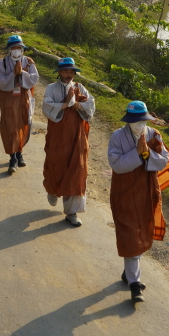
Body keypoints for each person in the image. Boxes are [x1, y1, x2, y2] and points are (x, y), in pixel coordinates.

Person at [108, 100, 169, 304]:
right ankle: (135, 284)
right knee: (130, 233)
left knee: (142, 231)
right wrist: (137, 153)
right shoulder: (117, 137)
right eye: (135, 121)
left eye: (143, 121)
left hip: (146, 190)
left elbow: (163, 160)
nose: (139, 125)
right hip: (125, 192)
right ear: (128, 121)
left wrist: (147, 154)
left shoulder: (154, 135)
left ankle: (129, 273)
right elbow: (116, 165)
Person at [42, 57, 94, 227]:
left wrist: (78, 105)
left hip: (77, 137)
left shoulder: (80, 88)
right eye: (65, 71)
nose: (69, 74)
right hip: (58, 137)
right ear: (59, 72)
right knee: (56, 165)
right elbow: (46, 108)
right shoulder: (52, 88)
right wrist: (65, 104)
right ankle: (53, 190)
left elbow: (91, 107)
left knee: (77, 169)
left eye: (71, 71)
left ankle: (71, 212)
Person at [0, 35, 39, 174]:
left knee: (23, 124)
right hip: (8, 99)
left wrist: (22, 73)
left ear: (23, 49)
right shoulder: (4, 63)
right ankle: (12, 157)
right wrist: (13, 75)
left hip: (23, 98)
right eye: (13, 48)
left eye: (18, 48)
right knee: (10, 125)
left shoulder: (29, 62)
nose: (16, 50)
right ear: (9, 50)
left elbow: (34, 79)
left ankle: (19, 151)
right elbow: (0, 81)